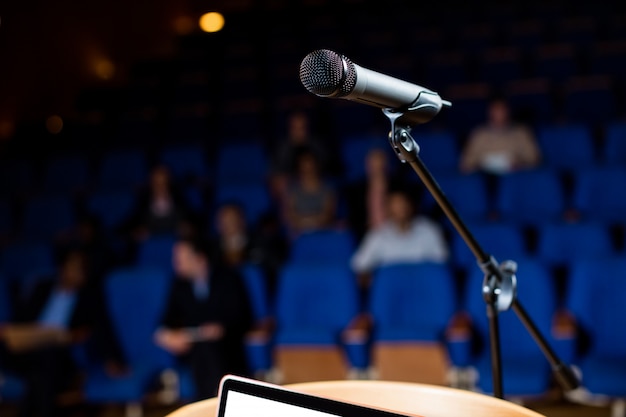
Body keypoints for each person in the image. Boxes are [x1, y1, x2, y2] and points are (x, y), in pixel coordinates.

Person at [6, 249, 125, 417]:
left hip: (60, 354)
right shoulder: (43, 287)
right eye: (72, 267)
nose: (76, 274)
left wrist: (113, 359)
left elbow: (103, 328)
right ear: (62, 268)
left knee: (42, 370)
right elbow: (21, 320)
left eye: (81, 270)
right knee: (37, 371)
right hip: (27, 350)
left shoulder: (88, 296)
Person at [155, 238, 253, 399]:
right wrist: (170, 337)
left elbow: (243, 317)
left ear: (199, 259)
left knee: (210, 352)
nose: (175, 264)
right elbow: (163, 323)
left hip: (227, 349)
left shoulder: (228, 278)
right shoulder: (179, 285)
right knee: (203, 352)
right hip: (194, 352)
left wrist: (222, 328)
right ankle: (211, 403)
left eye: (181, 260)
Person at [351, 189, 449, 285]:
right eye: (395, 204)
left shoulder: (429, 230)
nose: (401, 208)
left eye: (403, 203)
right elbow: (359, 266)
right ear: (387, 209)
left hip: (423, 287)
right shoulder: (378, 235)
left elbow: (441, 266)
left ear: (411, 205)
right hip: (391, 291)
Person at [210, 202, 287, 295]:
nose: (227, 225)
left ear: (242, 221)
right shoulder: (210, 249)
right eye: (223, 221)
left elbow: (276, 272)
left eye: (231, 219)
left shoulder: (262, 244)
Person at [459, 98, 541, 175]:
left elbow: (535, 160)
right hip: (485, 180)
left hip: (516, 178)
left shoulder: (521, 133)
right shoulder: (479, 135)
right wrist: (480, 166)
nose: (499, 113)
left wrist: (520, 164)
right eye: (495, 110)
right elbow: (465, 165)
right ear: (489, 112)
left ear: (508, 111)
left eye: (502, 109)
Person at [344, 148, 403, 243]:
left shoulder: (398, 186)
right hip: (367, 236)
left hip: (396, 234)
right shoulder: (356, 190)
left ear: (387, 164)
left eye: (381, 160)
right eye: (374, 161)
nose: (377, 165)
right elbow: (354, 218)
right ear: (367, 164)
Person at [124, 164, 194, 241]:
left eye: (164, 182)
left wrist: (189, 229)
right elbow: (126, 228)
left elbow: (195, 224)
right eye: (156, 183)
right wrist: (135, 233)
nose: (160, 187)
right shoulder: (142, 205)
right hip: (150, 250)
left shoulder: (181, 202)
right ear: (150, 183)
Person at [283, 150, 337, 238]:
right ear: (299, 169)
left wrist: (311, 224)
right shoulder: (293, 190)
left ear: (316, 167)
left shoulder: (328, 189)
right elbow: (290, 215)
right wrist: (304, 224)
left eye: (310, 168)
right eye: (304, 169)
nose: (308, 171)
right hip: (299, 234)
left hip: (322, 233)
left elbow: (328, 215)